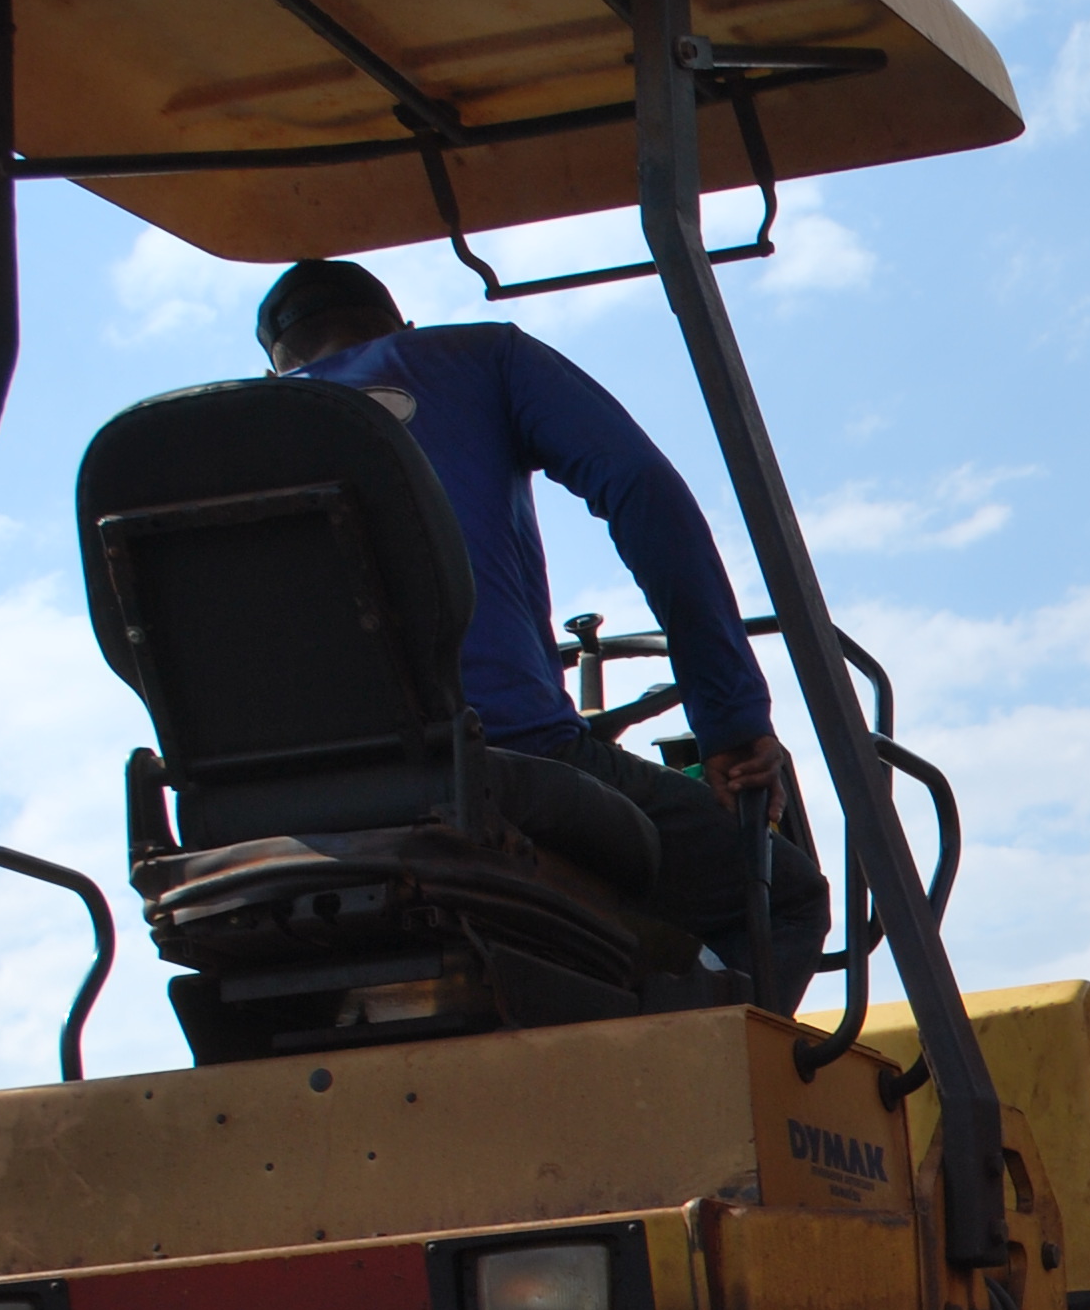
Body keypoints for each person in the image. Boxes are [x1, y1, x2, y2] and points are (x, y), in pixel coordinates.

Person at [250, 260, 830, 1003]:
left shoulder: (215, 434)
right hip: (504, 765)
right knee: (783, 895)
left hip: (274, 813)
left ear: (273, 369)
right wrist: (730, 718)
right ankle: (671, 1087)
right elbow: (643, 492)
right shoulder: (482, 357)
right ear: (403, 330)